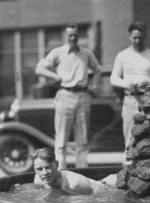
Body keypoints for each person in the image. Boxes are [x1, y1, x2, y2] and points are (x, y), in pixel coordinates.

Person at [35, 24, 101, 170]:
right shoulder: (58, 53)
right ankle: (59, 173)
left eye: (75, 35)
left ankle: (83, 172)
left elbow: (97, 69)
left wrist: (94, 86)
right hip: (65, 95)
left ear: (79, 36)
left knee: (82, 140)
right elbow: (39, 68)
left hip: (83, 96)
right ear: (65, 36)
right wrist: (54, 76)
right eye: (70, 35)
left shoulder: (86, 54)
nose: (73, 38)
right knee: (61, 140)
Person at [110, 21, 150, 161]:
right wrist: (128, 84)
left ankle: (149, 171)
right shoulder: (122, 55)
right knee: (130, 138)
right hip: (130, 100)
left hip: (149, 101)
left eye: (140, 37)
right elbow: (113, 78)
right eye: (134, 38)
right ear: (130, 37)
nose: (137, 41)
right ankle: (127, 169)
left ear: (145, 36)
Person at [32, 148, 108, 195]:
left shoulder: (73, 184)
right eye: (39, 169)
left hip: (105, 188)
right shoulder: (38, 180)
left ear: (57, 164)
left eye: (48, 167)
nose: (44, 173)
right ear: (35, 169)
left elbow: (93, 200)